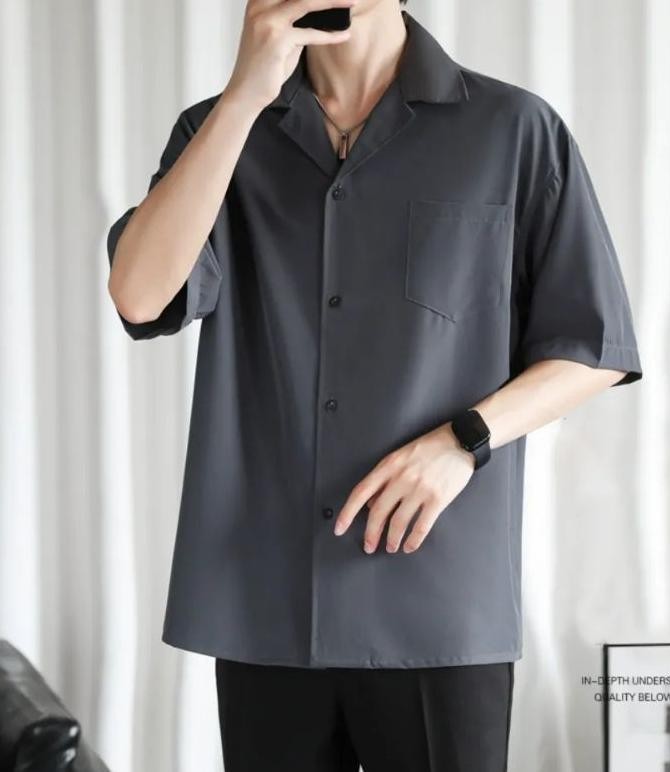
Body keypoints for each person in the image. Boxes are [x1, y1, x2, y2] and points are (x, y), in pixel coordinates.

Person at [106, 0, 643, 769]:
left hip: (436, 599)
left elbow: (593, 346)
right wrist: (245, 96)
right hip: (268, 600)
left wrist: (464, 440)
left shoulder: (512, 129)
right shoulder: (218, 132)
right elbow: (139, 295)